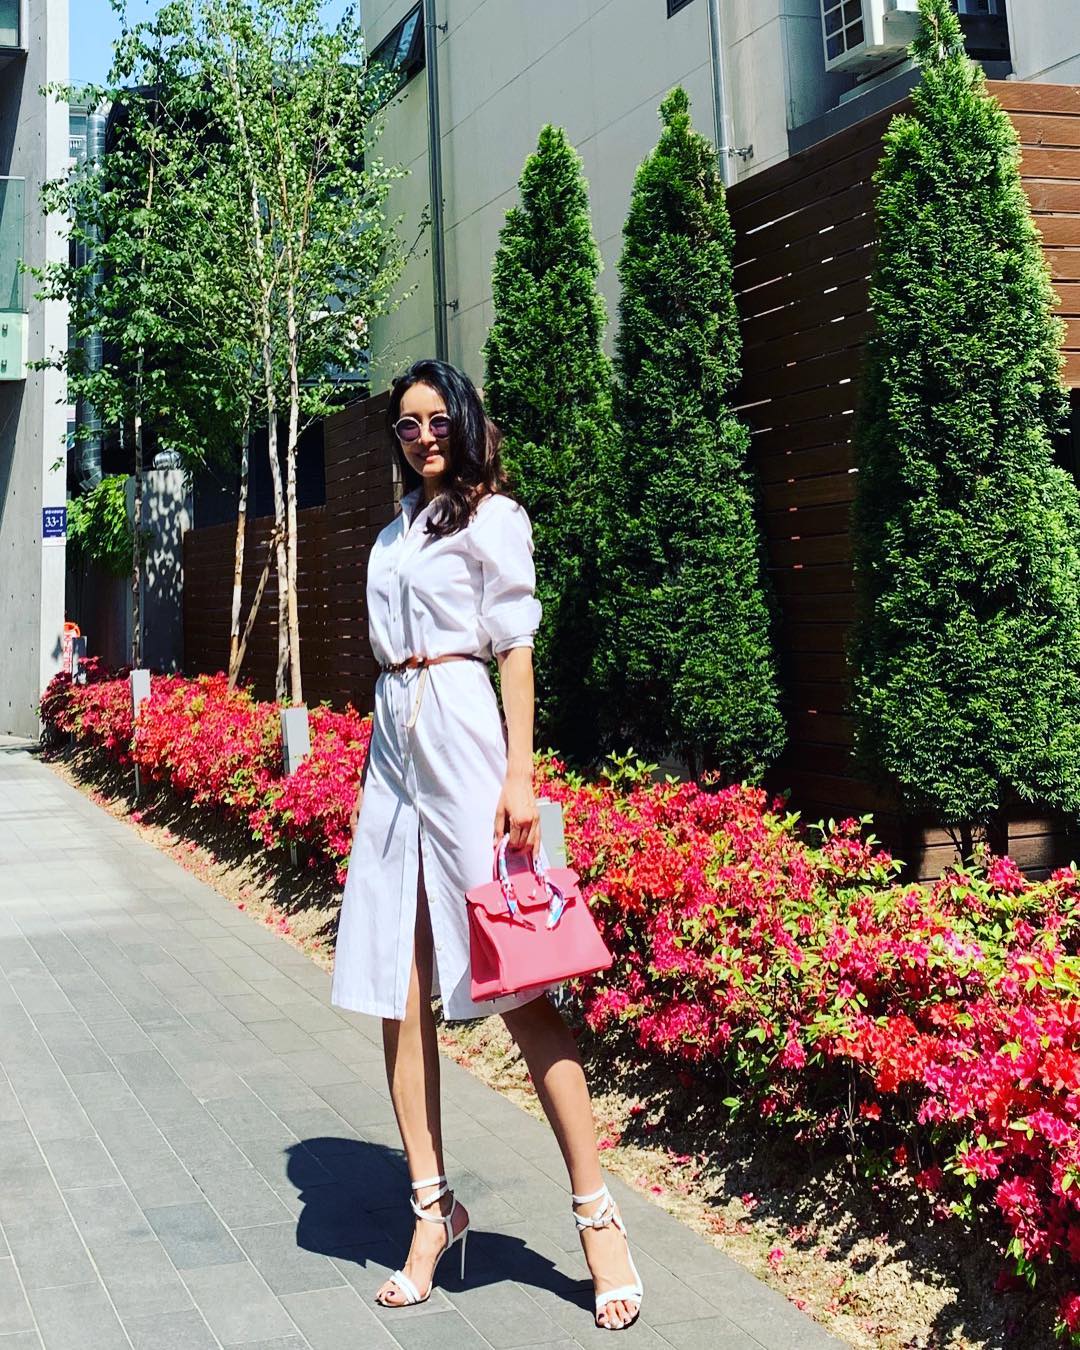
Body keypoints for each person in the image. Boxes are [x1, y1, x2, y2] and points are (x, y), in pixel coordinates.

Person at [330, 359, 643, 1331]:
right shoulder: (392, 535)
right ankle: (432, 1212)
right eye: (408, 423)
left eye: (437, 419)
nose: (423, 435)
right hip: (394, 752)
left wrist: (521, 775)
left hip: (467, 741)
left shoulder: (493, 518)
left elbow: (515, 647)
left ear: (464, 422)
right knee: (397, 990)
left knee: (519, 986)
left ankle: (597, 1216)